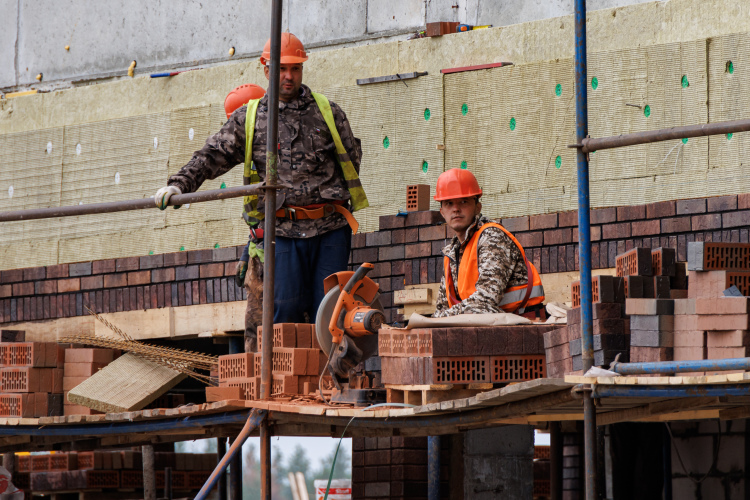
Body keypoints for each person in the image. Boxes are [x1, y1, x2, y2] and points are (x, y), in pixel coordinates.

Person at [153, 33, 367, 350]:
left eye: (295, 68)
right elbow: (210, 156)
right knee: (285, 314)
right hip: (282, 232)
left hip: (330, 229)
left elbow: (352, 157)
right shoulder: (250, 120)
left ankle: (333, 388)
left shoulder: (328, 114)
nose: (288, 76)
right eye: (281, 68)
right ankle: (288, 388)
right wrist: (178, 184)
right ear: (266, 68)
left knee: (332, 313)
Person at [432, 168, 544, 317]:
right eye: (449, 203)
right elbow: (442, 309)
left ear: (478, 207)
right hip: (486, 329)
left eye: (463, 201)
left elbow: (485, 301)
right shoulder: (451, 254)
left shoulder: (492, 237)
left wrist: (440, 319)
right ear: (442, 212)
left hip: (522, 327)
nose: (456, 209)